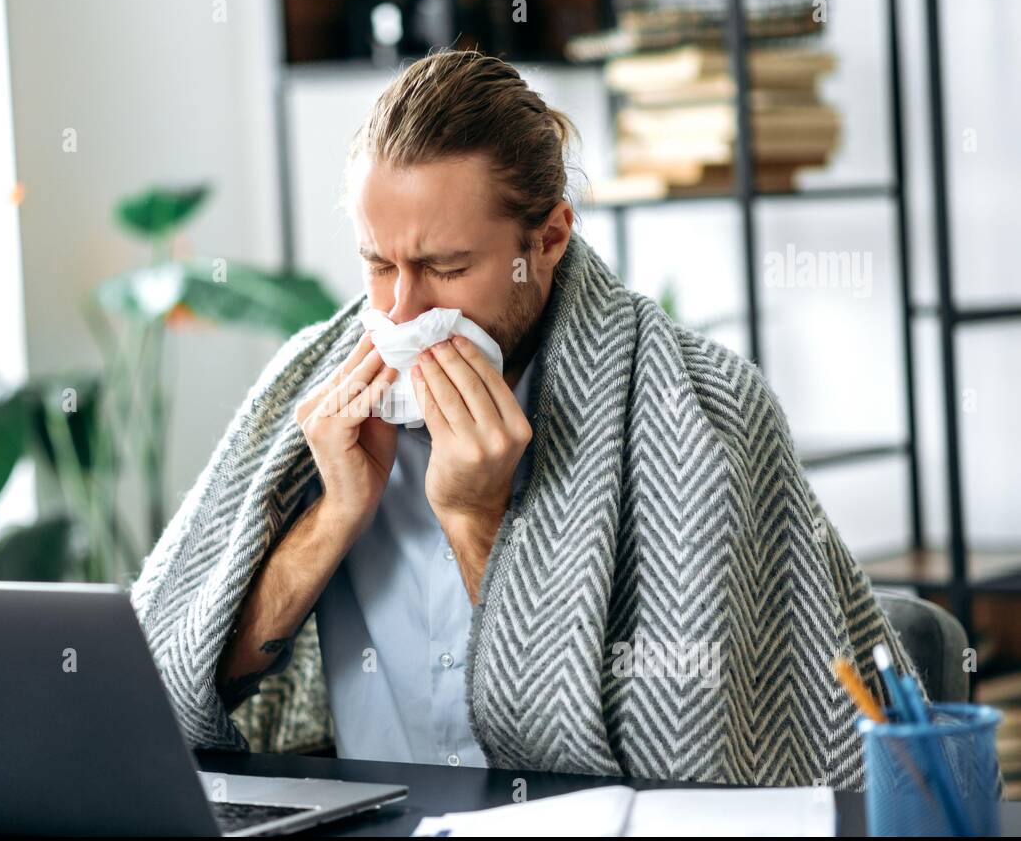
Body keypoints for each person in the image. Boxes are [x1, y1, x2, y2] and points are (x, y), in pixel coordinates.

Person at [132, 49, 925, 789]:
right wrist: (331, 516)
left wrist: (479, 522)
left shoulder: (705, 408)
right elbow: (160, 691)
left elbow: (680, 761)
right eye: (379, 265)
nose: (403, 310)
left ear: (547, 239)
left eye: (447, 268)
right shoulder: (312, 387)